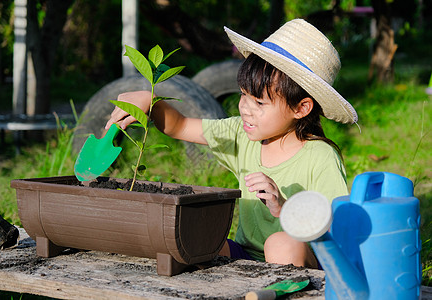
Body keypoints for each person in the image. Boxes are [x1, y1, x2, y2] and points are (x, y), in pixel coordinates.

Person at [105, 19, 358, 269]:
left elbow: (339, 228)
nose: (245, 108)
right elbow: (180, 125)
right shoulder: (241, 133)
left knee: (280, 244)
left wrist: (285, 208)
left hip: (301, 261)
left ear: (301, 108)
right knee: (191, 239)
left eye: (259, 103)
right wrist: (150, 101)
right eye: (243, 95)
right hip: (245, 256)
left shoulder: (320, 156)